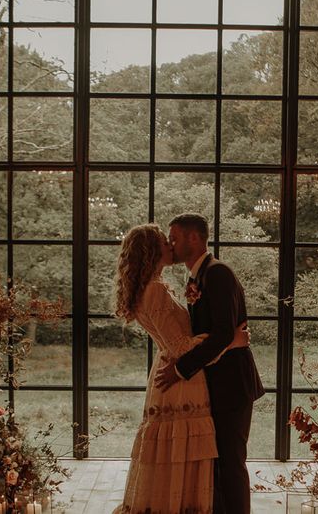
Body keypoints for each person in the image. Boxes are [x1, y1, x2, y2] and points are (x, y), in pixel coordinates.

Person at [113, 223, 250, 514]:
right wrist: (232, 341)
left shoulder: (154, 287)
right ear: (152, 251)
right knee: (180, 458)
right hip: (178, 380)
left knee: (186, 458)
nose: (170, 246)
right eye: (166, 241)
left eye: (171, 239)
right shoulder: (154, 291)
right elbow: (181, 347)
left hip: (178, 375)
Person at [156, 213, 265, 514]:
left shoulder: (218, 274)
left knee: (230, 465)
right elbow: (216, 335)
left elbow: (220, 335)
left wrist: (180, 369)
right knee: (215, 467)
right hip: (213, 385)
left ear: (194, 238)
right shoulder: (196, 276)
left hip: (232, 386)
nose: (171, 244)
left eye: (174, 238)